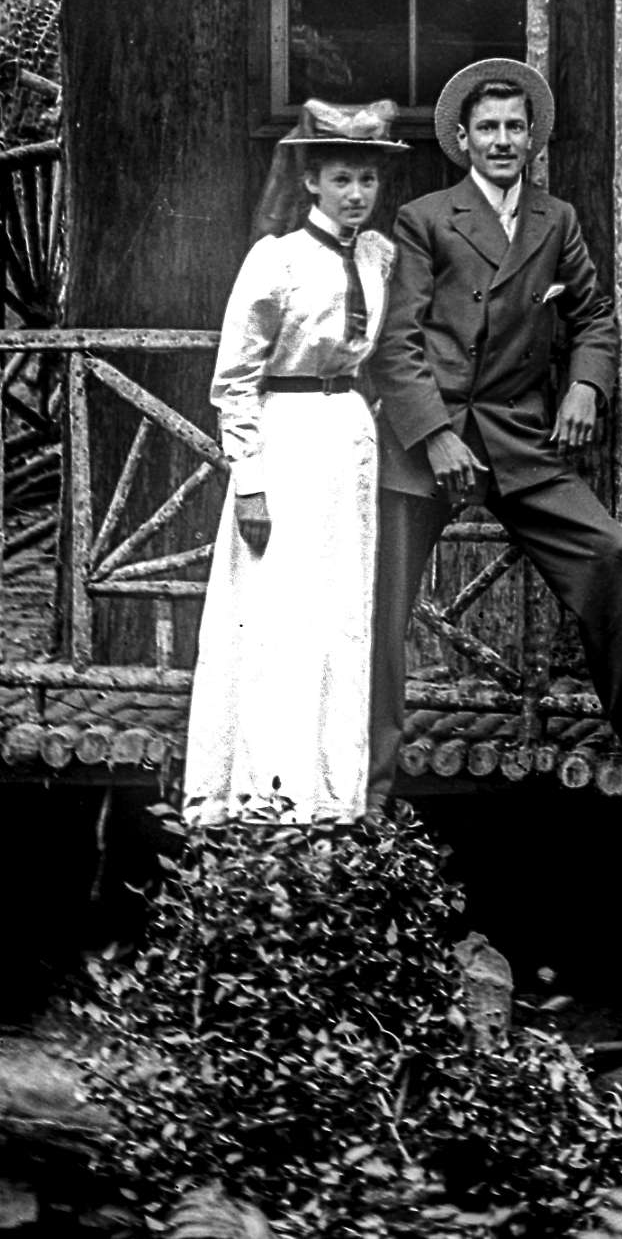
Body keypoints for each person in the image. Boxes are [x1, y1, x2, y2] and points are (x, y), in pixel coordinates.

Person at [363, 58, 622, 788]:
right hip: (424, 442)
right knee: (383, 604)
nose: (502, 140)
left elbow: (593, 315)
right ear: (464, 141)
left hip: (516, 437)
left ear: (532, 137)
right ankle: (366, 764)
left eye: (514, 127)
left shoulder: (554, 219)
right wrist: (434, 433)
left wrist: (586, 385)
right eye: (487, 129)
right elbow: (396, 342)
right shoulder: (425, 219)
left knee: (609, 553)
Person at [180, 100, 405, 822]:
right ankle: (262, 796)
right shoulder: (275, 261)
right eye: (342, 178)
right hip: (287, 438)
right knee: (279, 617)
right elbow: (234, 381)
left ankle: (333, 796)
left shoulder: (379, 256)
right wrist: (249, 481)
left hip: (349, 439)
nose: (356, 194)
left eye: (367, 179)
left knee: (341, 615)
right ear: (310, 179)